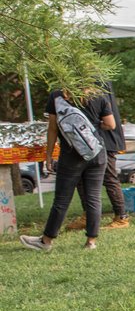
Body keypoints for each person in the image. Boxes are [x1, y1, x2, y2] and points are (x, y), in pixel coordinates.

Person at [20, 87, 112, 252]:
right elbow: (110, 124)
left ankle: (46, 241)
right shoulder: (99, 94)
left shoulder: (57, 96)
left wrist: (48, 156)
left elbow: (53, 128)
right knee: (94, 199)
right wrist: (93, 125)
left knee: (62, 200)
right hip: (96, 153)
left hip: (71, 156)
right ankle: (91, 242)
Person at [65, 80, 130, 231]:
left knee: (109, 178)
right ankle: (88, 216)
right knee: (81, 179)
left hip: (105, 138)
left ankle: (121, 217)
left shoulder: (98, 81)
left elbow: (108, 118)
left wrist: (94, 126)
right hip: (88, 140)